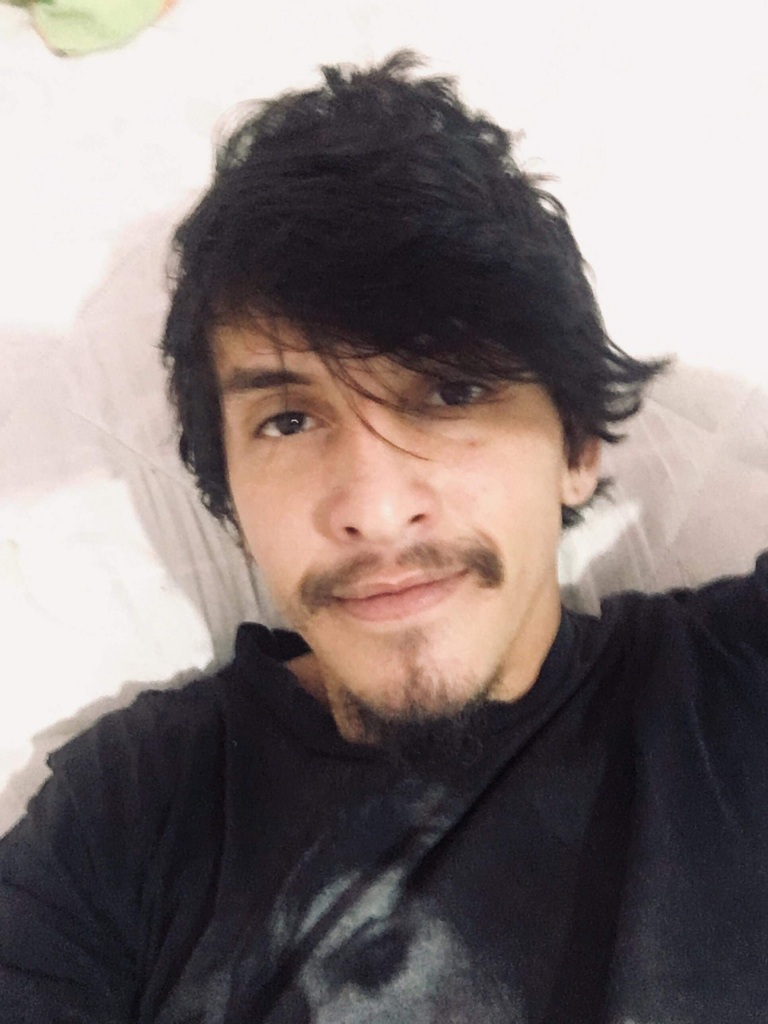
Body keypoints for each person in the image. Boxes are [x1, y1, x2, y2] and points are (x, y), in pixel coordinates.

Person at [0, 49, 766, 1024]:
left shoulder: (738, 685)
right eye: (287, 420)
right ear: (229, 495)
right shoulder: (127, 817)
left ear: (578, 445)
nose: (373, 505)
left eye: (452, 391)